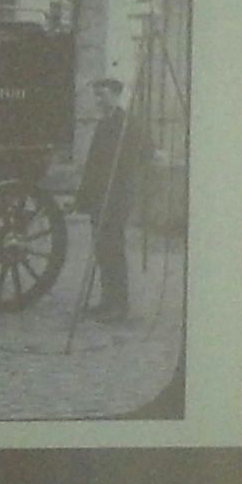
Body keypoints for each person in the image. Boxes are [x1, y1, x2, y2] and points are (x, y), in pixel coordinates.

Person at [74, 75, 155, 316]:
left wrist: (124, 171)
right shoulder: (103, 124)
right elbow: (92, 165)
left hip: (118, 195)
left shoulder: (130, 123)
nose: (98, 99)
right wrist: (83, 198)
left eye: (103, 94)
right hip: (99, 196)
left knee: (113, 248)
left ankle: (120, 306)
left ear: (116, 94)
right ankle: (107, 301)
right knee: (101, 249)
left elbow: (147, 153)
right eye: (96, 95)